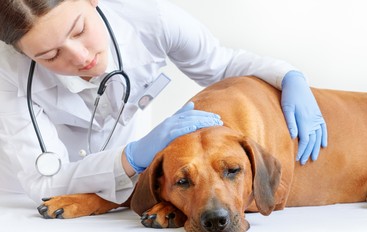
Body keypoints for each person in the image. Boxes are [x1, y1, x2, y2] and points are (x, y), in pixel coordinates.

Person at [0, 0, 327, 204]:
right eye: (51, 55)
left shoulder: (152, 18)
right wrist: (132, 157)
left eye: (80, 30)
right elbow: (43, 179)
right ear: (22, 53)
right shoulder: (9, 74)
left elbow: (221, 65)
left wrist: (288, 76)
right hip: (26, 198)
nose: (81, 57)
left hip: (137, 188)